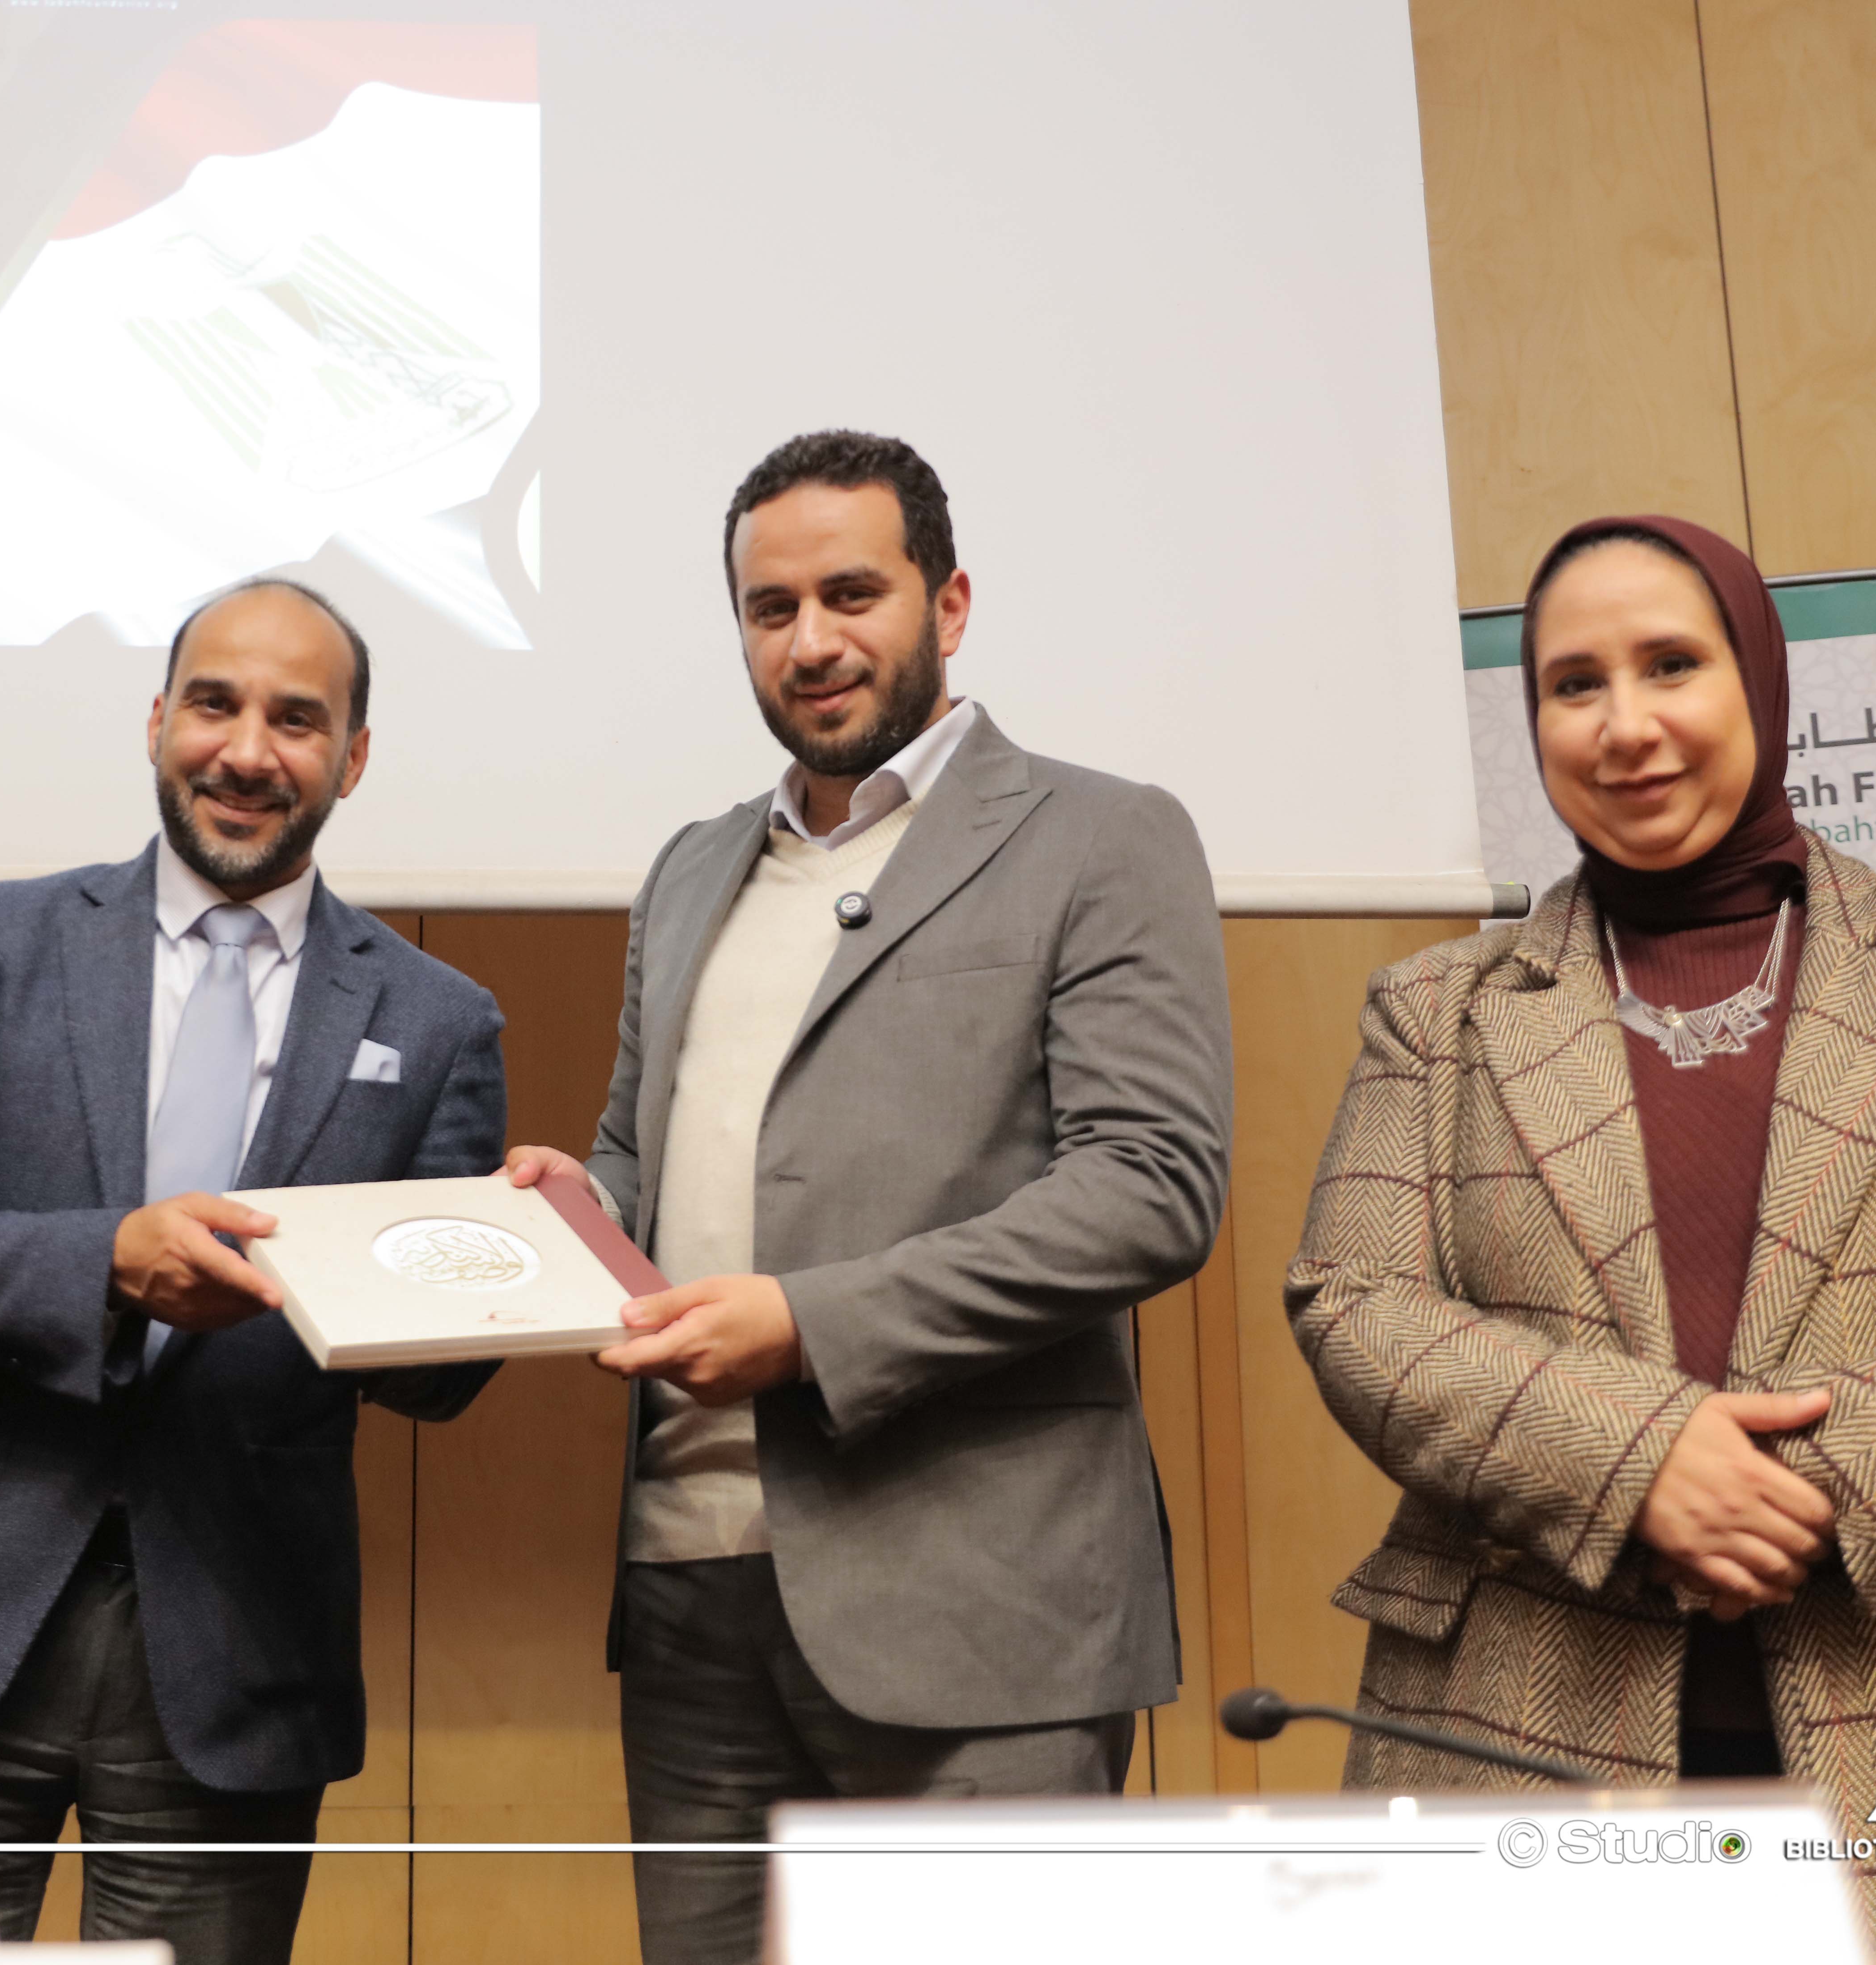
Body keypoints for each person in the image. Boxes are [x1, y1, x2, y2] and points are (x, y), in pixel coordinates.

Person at [1289, 514, 1876, 1953]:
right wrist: (1635, 1462)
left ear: (1758, 677)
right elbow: (1355, 1301)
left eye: (1671, 665)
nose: (1624, 726)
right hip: (1524, 1718)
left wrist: (1818, 1477)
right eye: (1572, 684)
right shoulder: (1437, 1013)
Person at [501, 430, 1233, 1965]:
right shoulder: (691, 868)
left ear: (947, 603)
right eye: (770, 610)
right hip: (690, 1584)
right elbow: (641, 1152)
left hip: (980, 1608)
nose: (811, 643)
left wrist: (808, 1326)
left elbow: (1150, 1186)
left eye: (852, 595)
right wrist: (574, 1209)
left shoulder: (1100, 836)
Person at [0, 577, 505, 1958]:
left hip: (237, 1666)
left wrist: (509, 1256)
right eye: (213, 705)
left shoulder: (436, 1021)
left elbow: (441, 1378)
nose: (246, 750)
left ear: (353, 757)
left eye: (296, 719)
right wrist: (102, 1264)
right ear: (157, 720)